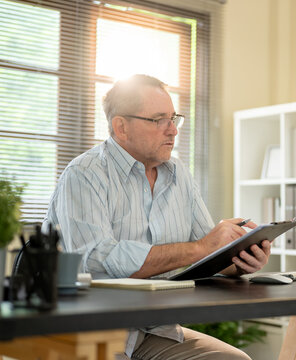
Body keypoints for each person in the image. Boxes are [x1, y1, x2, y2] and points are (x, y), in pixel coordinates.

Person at [43, 74, 271, 360]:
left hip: (151, 331)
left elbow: (207, 253)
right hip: (86, 334)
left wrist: (239, 259)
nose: (173, 130)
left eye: (174, 118)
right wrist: (201, 247)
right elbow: (97, 260)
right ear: (121, 127)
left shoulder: (179, 176)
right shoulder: (84, 175)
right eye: (159, 120)